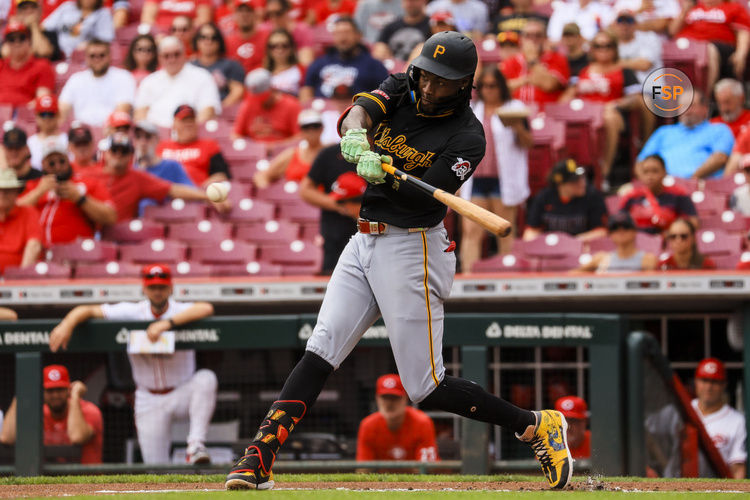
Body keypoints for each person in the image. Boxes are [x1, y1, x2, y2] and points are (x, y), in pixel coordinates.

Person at [224, 31, 572, 492]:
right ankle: (259, 457)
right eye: (426, 75)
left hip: (413, 246)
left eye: (442, 82)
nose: (429, 88)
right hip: (363, 239)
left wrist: (382, 169)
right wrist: (353, 134)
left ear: (465, 85)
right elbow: (361, 110)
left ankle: (533, 425)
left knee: (425, 386)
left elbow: (422, 199)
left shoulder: (468, 136)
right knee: (320, 348)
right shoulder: (402, 85)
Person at [48, 264, 218, 465]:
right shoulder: (133, 311)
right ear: (144, 289)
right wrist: (67, 323)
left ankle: (196, 446)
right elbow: (89, 310)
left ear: (171, 288)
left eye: (162, 287)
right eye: (153, 287)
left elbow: (206, 308)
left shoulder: (179, 310)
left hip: (182, 392)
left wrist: (167, 323)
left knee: (206, 379)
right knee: (156, 468)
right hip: (149, 398)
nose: (157, 291)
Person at [460, 66, 531, 272]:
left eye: (493, 86)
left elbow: (528, 143)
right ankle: (469, 275)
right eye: (484, 86)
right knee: (471, 231)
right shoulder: (471, 109)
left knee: (504, 230)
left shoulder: (515, 107)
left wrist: (516, 125)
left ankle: (507, 276)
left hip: (504, 179)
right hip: (476, 179)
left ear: (501, 86)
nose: (489, 90)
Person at [561, 30, 641, 187]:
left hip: (613, 114)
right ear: (592, 49)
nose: (603, 50)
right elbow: (568, 94)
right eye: (598, 46)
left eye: (608, 46)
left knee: (608, 116)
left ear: (615, 48)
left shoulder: (624, 70)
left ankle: (603, 172)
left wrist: (615, 104)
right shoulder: (583, 70)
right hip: (584, 116)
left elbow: (636, 98)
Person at [84, 132, 223, 221]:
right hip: (91, 231)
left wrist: (208, 196)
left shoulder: (137, 177)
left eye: (124, 151)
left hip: (120, 234)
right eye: (114, 150)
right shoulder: (90, 174)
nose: (118, 155)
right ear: (106, 153)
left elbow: (172, 189)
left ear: (131, 155)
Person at [18, 137, 117, 246]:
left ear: (69, 161)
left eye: (62, 161)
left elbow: (110, 217)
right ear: (43, 164)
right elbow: (11, 211)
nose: (58, 166)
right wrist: (38, 192)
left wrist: (80, 199)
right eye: (51, 163)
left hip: (75, 253)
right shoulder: (34, 186)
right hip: (38, 253)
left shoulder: (88, 183)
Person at [0, 364, 103, 464]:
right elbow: (7, 438)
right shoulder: (38, 413)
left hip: (86, 479)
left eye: (60, 389)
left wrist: (75, 396)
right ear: (42, 391)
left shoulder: (89, 410)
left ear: (69, 389)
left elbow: (77, 437)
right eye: (50, 390)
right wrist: (21, 393)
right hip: (49, 479)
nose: (55, 395)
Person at [637, 90, 734, 179]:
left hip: (703, 187)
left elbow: (720, 158)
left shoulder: (719, 130)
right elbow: (640, 162)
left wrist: (691, 179)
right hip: (663, 187)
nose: (687, 111)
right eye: (682, 106)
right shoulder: (663, 132)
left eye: (691, 106)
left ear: (705, 109)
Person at [299, 144, 364, 274]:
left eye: (341, 201)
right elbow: (305, 190)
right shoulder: (329, 154)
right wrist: (339, 207)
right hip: (334, 238)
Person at [134, 36, 222, 128]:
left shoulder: (202, 76)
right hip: (155, 136)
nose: (172, 59)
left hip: (190, 136)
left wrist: (185, 132)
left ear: (184, 54)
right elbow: (140, 113)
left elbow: (208, 110)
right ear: (159, 57)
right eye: (166, 56)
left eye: (176, 54)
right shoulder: (149, 81)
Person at [299, 16, 389, 103]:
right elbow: (306, 91)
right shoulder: (319, 63)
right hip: (323, 113)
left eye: (347, 33)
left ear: (358, 35)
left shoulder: (374, 66)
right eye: (338, 33)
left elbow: (384, 96)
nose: (343, 38)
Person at [356, 374, 438, 462]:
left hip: (414, 476)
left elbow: (428, 468)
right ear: (377, 399)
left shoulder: (422, 422)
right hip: (382, 476)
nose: (389, 404)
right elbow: (363, 470)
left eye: (394, 398)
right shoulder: (368, 425)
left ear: (405, 398)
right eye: (385, 398)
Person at [669, 0, 750, 89]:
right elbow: (672, 31)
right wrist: (684, 11)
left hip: (719, 48)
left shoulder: (733, 7)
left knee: (707, 50)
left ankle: (704, 97)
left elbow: (743, 31)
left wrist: (741, 54)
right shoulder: (692, 9)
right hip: (689, 47)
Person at [523, 158, 608, 242]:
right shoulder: (544, 197)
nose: (582, 183)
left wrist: (570, 243)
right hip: (551, 248)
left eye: (582, 177)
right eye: (575, 181)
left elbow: (601, 232)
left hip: (583, 248)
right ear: (560, 184)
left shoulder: (592, 196)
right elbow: (530, 232)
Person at [59, 39, 136, 127]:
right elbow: (62, 110)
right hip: (81, 132)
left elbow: (122, 111)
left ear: (109, 56)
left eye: (101, 55)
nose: (97, 59)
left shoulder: (123, 77)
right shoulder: (76, 79)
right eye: (92, 56)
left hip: (112, 129)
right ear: (86, 58)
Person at [691, 358, 746, 479]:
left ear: (724, 385)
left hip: (713, 490)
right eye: (704, 380)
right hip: (674, 487)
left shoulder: (737, 421)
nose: (709, 387)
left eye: (714, 382)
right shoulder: (680, 411)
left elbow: (737, 469)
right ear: (696, 381)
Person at [157, 105, 233, 188]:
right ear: (174, 124)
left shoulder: (209, 146)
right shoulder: (161, 147)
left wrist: (201, 191)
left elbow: (221, 175)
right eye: (184, 121)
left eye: (191, 120)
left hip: (198, 195)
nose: (189, 124)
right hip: (166, 194)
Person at [500, 18, 570, 109]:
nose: (533, 39)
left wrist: (532, 59)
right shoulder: (511, 61)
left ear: (545, 38)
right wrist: (526, 80)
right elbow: (501, 89)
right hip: (515, 113)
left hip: (546, 114)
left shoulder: (557, 58)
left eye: (538, 35)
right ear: (522, 39)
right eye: (528, 36)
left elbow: (549, 84)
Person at [620, 154, 699, 234]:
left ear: (664, 172)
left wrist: (672, 233)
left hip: (669, 242)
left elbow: (694, 223)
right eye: (645, 172)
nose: (650, 176)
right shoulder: (631, 197)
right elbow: (620, 225)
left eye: (655, 171)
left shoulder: (678, 195)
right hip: (636, 243)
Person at [254, 109, 324, 188]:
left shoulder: (331, 153)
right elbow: (261, 176)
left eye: (315, 126)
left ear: (322, 128)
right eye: (306, 127)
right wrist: (271, 193)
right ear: (300, 130)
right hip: (292, 198)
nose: (311, 131)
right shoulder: (292, 154)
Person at [233, 68, 301, 143]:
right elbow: (236, 135)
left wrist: (276, 147)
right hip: (254, 151)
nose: (259, 102)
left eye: (262, 97)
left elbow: (299, 137)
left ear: (272, 89)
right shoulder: (248, 105)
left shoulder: (291, 105)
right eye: (256, 98)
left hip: (283, 151)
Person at [576, 212, 658, 273]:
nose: (620, 231)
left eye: (626, 226)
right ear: (610, 234)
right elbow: (571, 276)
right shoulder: (601, 258)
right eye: (615, 228)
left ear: (634, 231)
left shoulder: (647, 259)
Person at [191, 23, 246, 108]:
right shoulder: (190, 66)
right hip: (191, 112)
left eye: (214, 38)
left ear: (219, 42)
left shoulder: (231, 65)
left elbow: (237, 91)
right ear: (197, 41)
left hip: (222, 112)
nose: (208, 41)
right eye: (203, 37)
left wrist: (219, 110)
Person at [0, 21, 54, 107]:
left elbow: (42, 99)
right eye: (11, 39)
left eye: (21, 38)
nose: (17, 43)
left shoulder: (42, 66)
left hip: (25, 116)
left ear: (29, 41)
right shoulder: (1, 65)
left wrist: (22, 112)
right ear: (6, 44)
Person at [0, 168, 42, 273]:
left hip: (16, 281)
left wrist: (20, 280)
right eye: (0, 190)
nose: (2, 194)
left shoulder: (28, 213)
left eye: (8, 190)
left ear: (17, 192)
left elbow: (34, 246)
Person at [41, 0, 113, 57]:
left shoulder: (103, 13)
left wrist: (89, 44)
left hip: (84, 58)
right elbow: (45, 26)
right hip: (59, 55)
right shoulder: (67, 7)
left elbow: (105, 39)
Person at [613, 10, 662, 85]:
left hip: (649, 88)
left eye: (629, 21)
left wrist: (614, 63)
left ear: (636, 24)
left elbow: (644, 65)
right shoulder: (611, 42)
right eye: (620, 21)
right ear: (614, 25)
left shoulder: (648, 37)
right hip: (624, 90)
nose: (624, 25)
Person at [259, 0, 314, 67]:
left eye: (278, 13)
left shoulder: (302, 30)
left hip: (294, 70)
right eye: (270, 14)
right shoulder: (263, 30)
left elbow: (306, 62)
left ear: (287, 11)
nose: (274, 18)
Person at [224, 0, 269, 73]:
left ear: (255, 14)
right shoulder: (228, 42)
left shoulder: (267, 37)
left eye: (248, 11)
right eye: (240, 11)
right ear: (234, 15)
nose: (244, 15)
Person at [27, 94, 68, 171]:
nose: (47, 118)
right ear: (36, 116)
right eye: (43, 114)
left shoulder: (67, 140)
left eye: (51, 114)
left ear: (58, 115)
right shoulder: (30, 142)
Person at [547, 0, 615, 42]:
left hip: (593, 52)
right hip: (565, 52)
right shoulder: (562, 9)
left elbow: (608, 36)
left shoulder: (605, 10)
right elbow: (553, 37)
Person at [263, 28, 304, 96]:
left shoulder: (301, 71)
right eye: (274, 46)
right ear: (268, 49)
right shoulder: (262, 73)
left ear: (291, 48)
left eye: (284, 46)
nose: (279, 50)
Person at [424, 0, 488, 37]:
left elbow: (479, 35)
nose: (441, 28)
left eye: (443, 26)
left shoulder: (479, 7)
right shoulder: (433, 7)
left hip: (468, 45)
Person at [140, 0, 212, 31]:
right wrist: (159, 32)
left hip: (187, 33)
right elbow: (147, 18)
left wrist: (181, 30)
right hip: (161, 34)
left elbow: (204, 19)